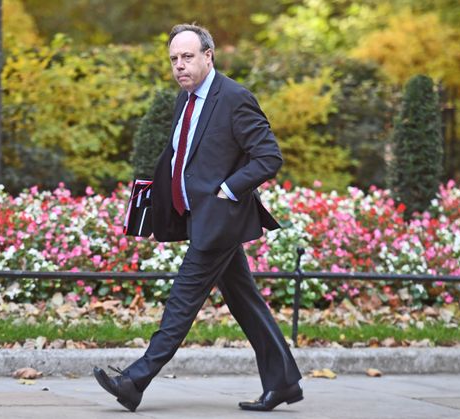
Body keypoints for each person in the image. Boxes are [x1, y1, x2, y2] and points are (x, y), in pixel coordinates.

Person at [93, 23, 302, 412]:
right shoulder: (185, 99)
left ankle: (135, 380)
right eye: (174, 59)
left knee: (181, 302)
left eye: (187, 57)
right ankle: (284, 382)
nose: (179, 66)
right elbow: (182, 157)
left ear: (208, 56)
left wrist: (227, 190)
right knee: (246, 302)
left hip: (220, 221)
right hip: (197, 217)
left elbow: (269, 157)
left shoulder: (235, 98)